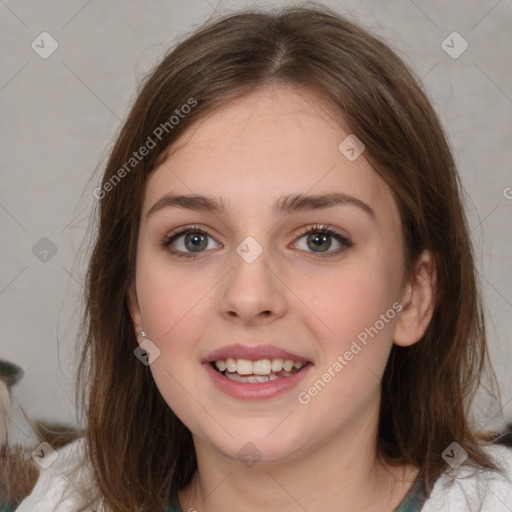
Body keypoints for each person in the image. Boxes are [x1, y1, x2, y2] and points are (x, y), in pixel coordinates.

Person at [14, 3, 512, 511]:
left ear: (413, 296)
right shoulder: (65, 499)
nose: (249, 297)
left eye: (320, 239)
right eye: (193, 239)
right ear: (134, 302)